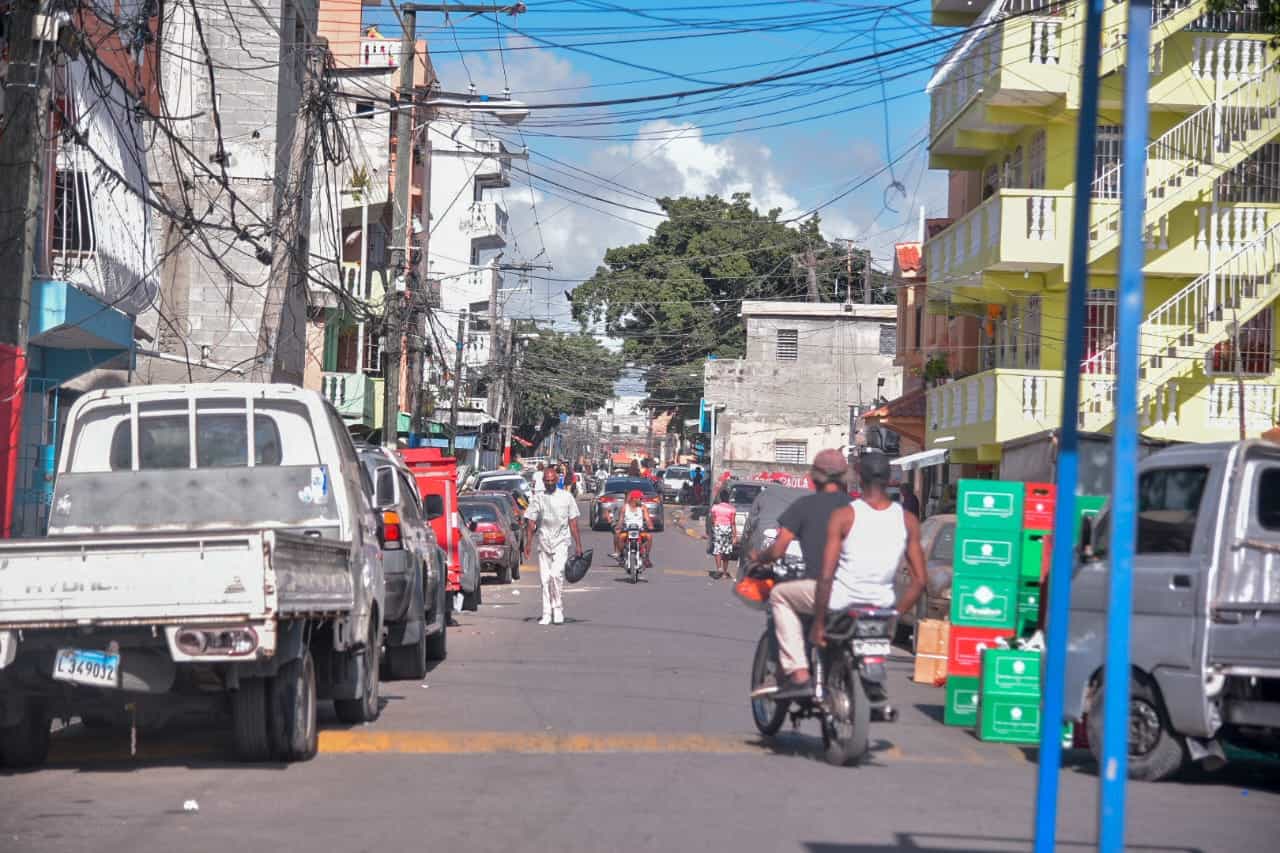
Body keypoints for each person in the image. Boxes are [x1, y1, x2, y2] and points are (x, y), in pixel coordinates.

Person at [751, 452, 927, 699]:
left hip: (839, 598)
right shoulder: (907, 520)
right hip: (882, 608)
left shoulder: (845, 515)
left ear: (858, 476)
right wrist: (894, 615)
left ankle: (799, 673)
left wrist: (820, 624)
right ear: (890, 478)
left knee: (780, 595)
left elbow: (824, 574)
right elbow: (920, 580)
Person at [523, 467, 584, 625]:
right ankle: (546, 613)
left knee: (555, 575)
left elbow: (573, 522)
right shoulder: (539, 498)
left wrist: (578, 545)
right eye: (547, 481)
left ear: (557, 480)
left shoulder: (566, 497)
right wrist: (528, 543)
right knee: (544, 580)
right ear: (543, 482)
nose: (550, 483)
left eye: (552, 481)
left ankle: (558, 610)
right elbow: (531, 521)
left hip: (561, 542)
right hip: (544, 542)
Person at [612, 489, 655, 568]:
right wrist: (618, 527)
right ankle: (621, 555)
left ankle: (647, 557)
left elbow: (647, 518)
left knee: (649, 536)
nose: (641, 500)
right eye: (640, 498)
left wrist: (650, 525)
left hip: (639, 530)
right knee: (620, 537)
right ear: (634, 498)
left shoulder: (643, 507)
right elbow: (621, 519)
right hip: (627, 529)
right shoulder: (625, 507)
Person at [708, 487, 739, 579]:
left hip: (718, 528)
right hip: (727, 530)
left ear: (720, 498)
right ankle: (725, 573)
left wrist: (714, 528)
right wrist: (735, 536)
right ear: (728, 498)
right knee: (726, 551)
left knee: (717, 549)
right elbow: (733, 523)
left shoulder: (715, 507)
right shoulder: (732, 509)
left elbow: (713, 520)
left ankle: (719, 568)